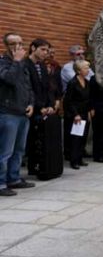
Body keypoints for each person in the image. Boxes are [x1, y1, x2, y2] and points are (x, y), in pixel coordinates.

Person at [0, 33, 36, 196]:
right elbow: (10, 80)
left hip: (23, 112)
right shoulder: (4, 63)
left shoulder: (23, 65)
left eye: (21, 43)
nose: (18, 46)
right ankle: (1, 183)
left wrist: (31, 103)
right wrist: (16, 62)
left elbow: (28, 87)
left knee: (19, 149)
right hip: (8, 113)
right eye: (14, 43)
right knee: (5, 151)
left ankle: (13, 178)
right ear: (6, 46)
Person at [23, 39, 59, 176]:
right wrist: (38, 107)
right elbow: (28, 89)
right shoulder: (24, 65)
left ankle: (38, 166)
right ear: (33, 48)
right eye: (43, 49)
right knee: (30, 140)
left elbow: (48, 88)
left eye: (47, 50)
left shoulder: (43, 66)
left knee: (40, 139)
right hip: (29, 108)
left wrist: (50, 105)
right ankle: (31, 166)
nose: (46, 53)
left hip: (44, 109)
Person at [64, 60, 93, 170]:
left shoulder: (86, 81)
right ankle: (74, 160)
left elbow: (88, 98)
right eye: (86, 68)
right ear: (79, 71)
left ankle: (80, 158)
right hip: (76, 114)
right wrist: (75, 114)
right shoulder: (73, 83)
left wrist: (90, 110)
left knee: (83, 137)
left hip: (85, 112)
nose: (88, 70)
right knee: (75, 138)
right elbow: (68, 101)